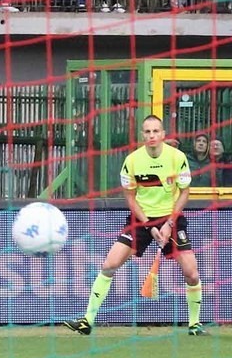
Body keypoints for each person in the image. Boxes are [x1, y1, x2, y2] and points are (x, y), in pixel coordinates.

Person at [65, 116, 203, 336]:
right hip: (141, 220)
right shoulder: (132, 160)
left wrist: (168, 224)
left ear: (163, 134)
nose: (151, 136)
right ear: (143, 135)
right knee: (109, 265)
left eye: (155, 131)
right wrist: (149, 226)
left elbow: (185, 192)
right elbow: (130, 197)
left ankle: (194, 324)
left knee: (192, 273)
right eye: (147, 132)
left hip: (171, 219)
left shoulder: (177, 158)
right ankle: (87, 321)